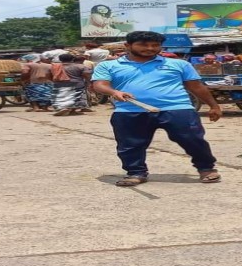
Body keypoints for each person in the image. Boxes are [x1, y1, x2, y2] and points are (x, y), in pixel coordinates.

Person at [92, 31, 222, 186]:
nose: (150, 48)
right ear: (128, 46)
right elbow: (99, 84)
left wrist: (214, 106)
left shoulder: (179, 64)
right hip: (129, 111)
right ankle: (136, 172)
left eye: (155, 45)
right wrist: (115, 92)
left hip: (177, 108)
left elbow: (196, 87)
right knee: (130, 144)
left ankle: (206, 168)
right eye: (143, 45)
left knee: (192, 139)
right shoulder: (109, 65)